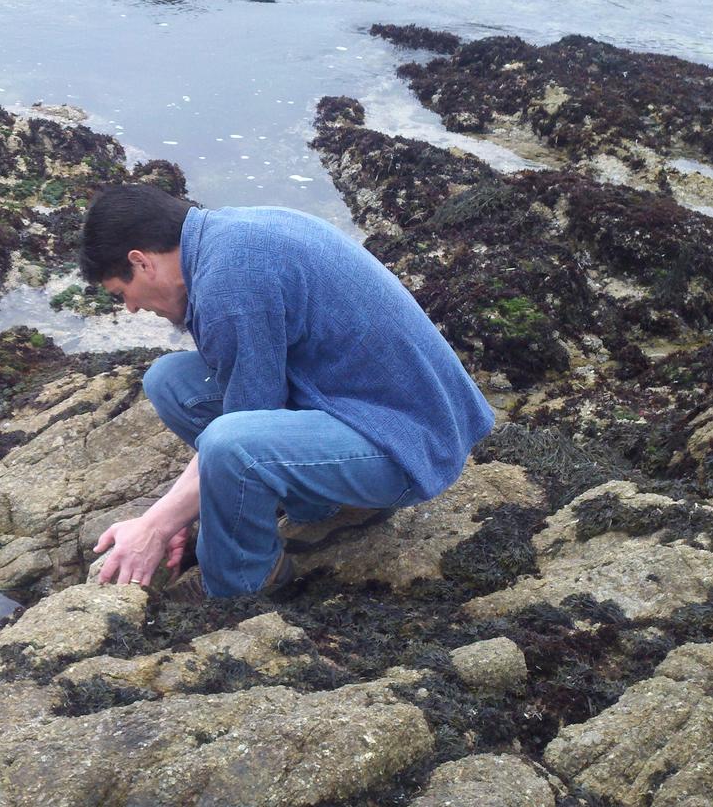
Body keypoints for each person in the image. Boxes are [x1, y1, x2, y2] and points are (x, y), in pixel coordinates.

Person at [82, 183, 494, 598]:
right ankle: (325, 508)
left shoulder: (229, 284)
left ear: (141, 262)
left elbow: (237, 434)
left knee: (231, 446)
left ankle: (241, 585)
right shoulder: (228, 235)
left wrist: (156, 525)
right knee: (168, 381)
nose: (132, 308)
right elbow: (249, 405)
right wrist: (183, 510)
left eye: (122, 294)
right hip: (360, 403)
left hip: (406, 442)